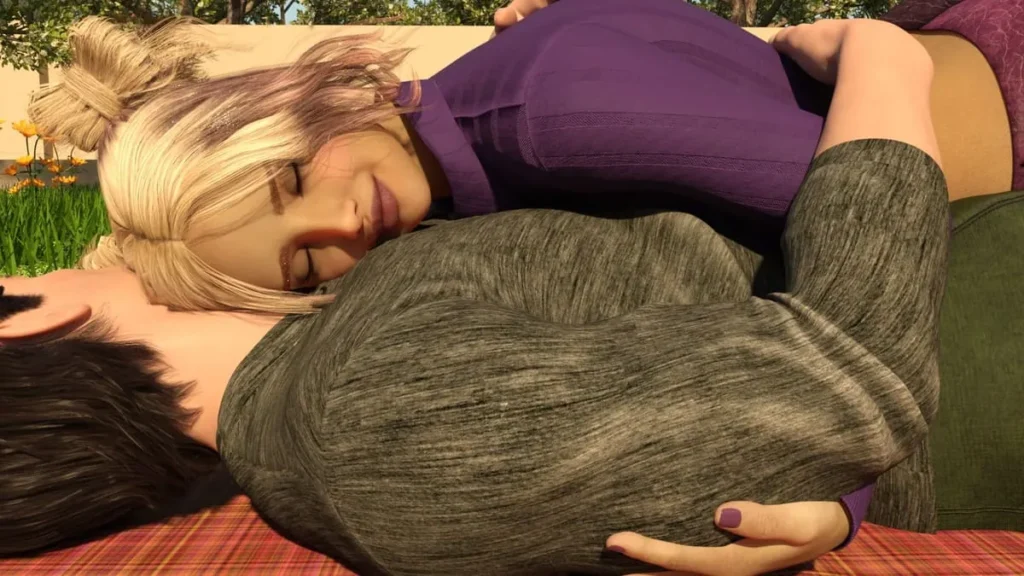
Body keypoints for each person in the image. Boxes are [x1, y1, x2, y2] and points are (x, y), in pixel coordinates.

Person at [3, 18, 950, 576]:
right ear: (24, 309)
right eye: (303, 262)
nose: (339, 231)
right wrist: (887, 60)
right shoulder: (367, 416)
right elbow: (852, 372)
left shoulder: (350, 322)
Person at [27, 0, 1016, 314]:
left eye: (290, 179)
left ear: (289, 102)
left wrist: (841, 483)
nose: (343, 225)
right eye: (306, 263)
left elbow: (886, 220)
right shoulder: (487, 124)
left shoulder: (544, 118)